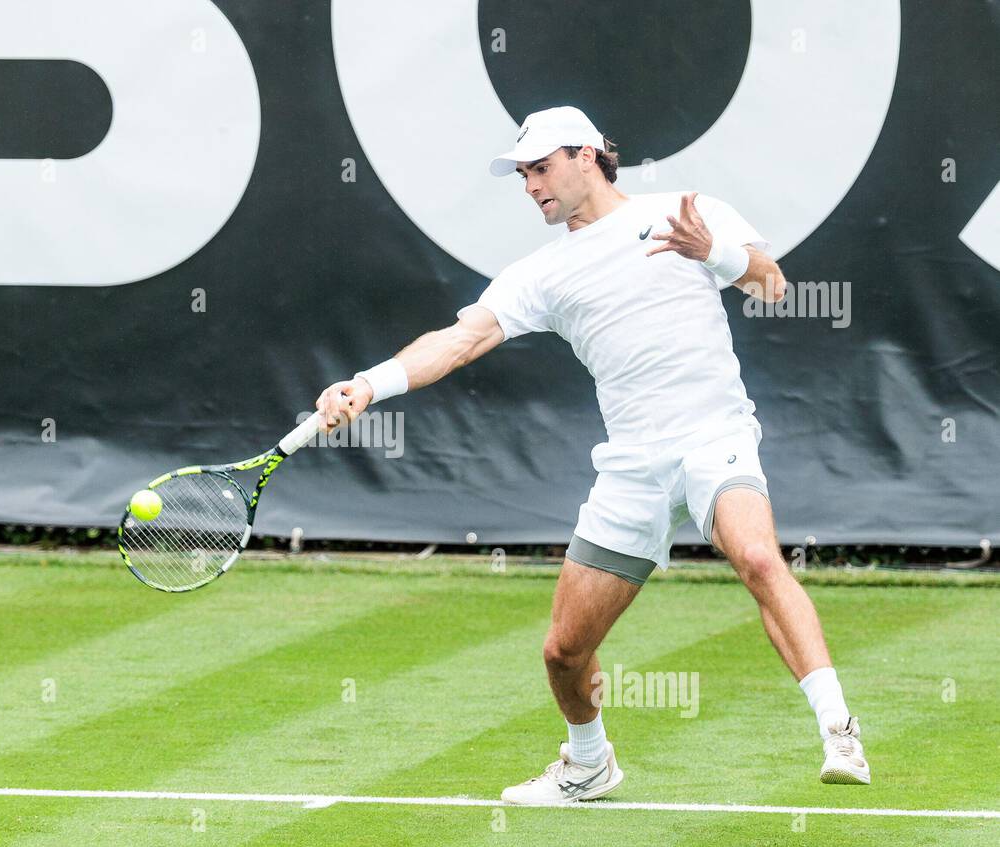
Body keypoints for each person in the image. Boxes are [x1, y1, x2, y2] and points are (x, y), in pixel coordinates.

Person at [314, 106, 870, 805]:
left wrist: (713, 255)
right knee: (564, 653)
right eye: (522, 176)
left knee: (757, 556)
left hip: (714, 436)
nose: (530, 187)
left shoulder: (684, 213)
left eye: (540, 169)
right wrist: (368, 385)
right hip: (632, 465)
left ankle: (838, 729)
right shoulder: (540, 273)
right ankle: (589, 764)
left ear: (587, 157)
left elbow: (772, 284)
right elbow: (458, 341)